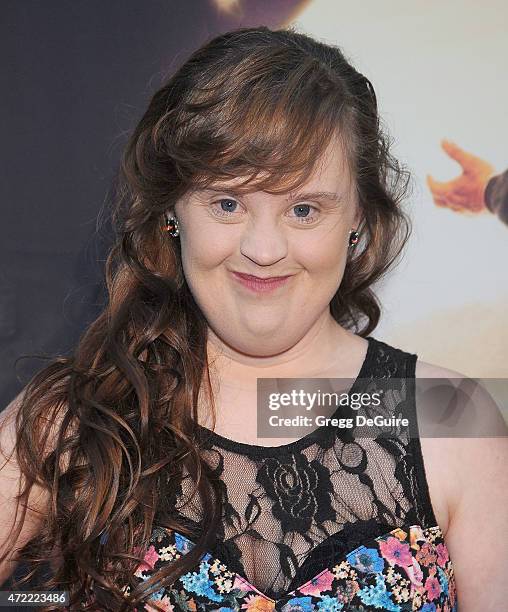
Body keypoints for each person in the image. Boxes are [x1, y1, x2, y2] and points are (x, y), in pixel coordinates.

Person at [1, 25, 507, 612]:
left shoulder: (448, 413)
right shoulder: (77, 418)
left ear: (358, 220)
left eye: (303, 208)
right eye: (227, 203)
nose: (264, 249)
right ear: (173, 212)